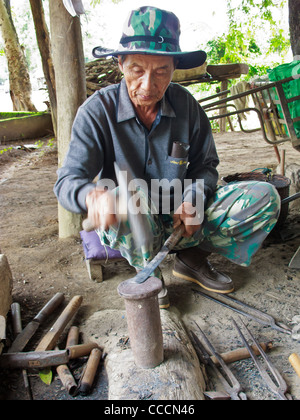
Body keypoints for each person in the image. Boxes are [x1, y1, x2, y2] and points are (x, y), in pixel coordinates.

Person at [54, 6, 281, 309]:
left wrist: (195, 196)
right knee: (126, 194)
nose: (148, 85)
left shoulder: (186, 106)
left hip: (182, 220)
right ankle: (147, 271)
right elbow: (68, 181)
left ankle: (192, 259)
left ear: (174, 67)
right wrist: (90, 196)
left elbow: (206, 166)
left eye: (161, 71)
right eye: (137, 70)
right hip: (132, 224)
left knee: (263, 196)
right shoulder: (96, 112)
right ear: (120, 63)